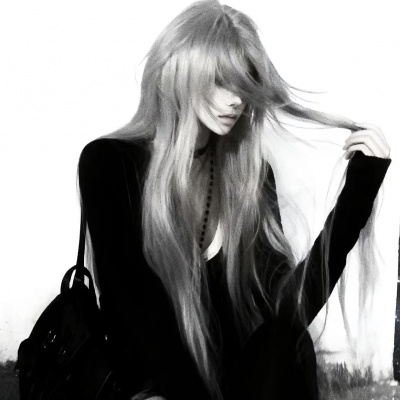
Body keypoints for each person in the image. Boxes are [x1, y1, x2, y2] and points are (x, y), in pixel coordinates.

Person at [78, 1, 391, 399]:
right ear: (180, 73)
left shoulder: (250, 179)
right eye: (219, 81)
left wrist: (357, 196)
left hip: (240, 387)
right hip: (158, 386)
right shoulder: (110, 164)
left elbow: (289, 311)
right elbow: (137, 312)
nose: (235, 100)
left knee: (287, 341)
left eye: (245, 83)